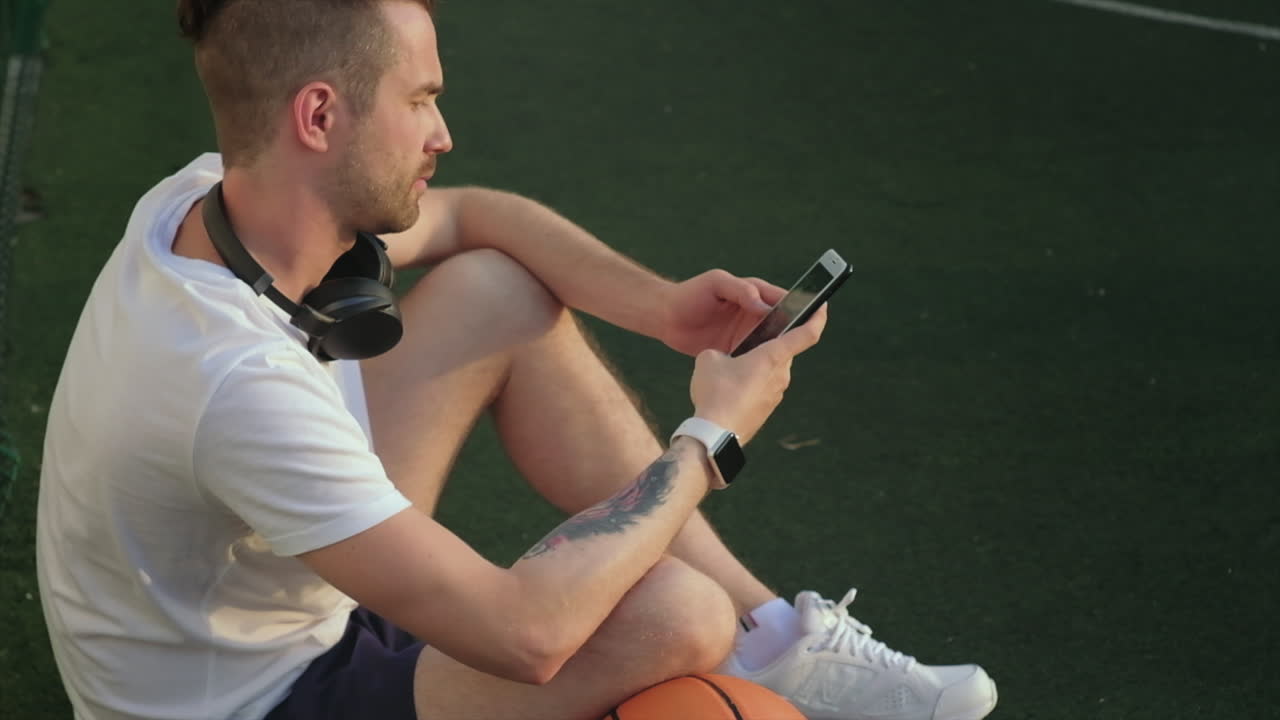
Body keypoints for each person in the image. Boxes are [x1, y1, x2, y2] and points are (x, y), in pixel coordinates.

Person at [34, 1, 998, 719]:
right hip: (258, 697)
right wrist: (711, 436)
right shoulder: (233, 380)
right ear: (319, 117)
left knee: (493, 293)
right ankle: (740, 631)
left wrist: (661, 309)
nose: (442, 134)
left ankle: (777, 641)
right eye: (420, 100)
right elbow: (527, 637)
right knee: (675, 616)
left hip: (277, 599)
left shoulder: (211, 197)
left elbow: (473, 219)